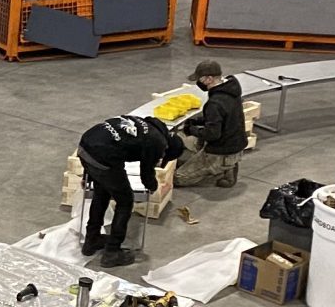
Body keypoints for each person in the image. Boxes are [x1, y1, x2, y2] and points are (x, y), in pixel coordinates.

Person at [77, 112, 185, 267]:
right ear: (168, 149)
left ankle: (91, 240)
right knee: (125, 201)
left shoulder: (145, 125)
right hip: (104, 156)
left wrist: (89, 173)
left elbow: (105, 139)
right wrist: (153, 186)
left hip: (86, 145)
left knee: (102, 193)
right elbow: (146, 174)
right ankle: (112, 252)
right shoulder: (158, 142)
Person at [173, 59, 250, 188]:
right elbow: (224, 117)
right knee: (195, 146)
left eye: (201, 79)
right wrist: (198, 121)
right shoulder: (232, 91)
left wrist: (191, 130)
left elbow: (212, 134)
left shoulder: (215, 102)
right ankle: (228, 164)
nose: (199, 82)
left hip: (221, 151)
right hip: (237, 145)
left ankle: (224, 167)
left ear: (209, 79)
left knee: (177, 178)